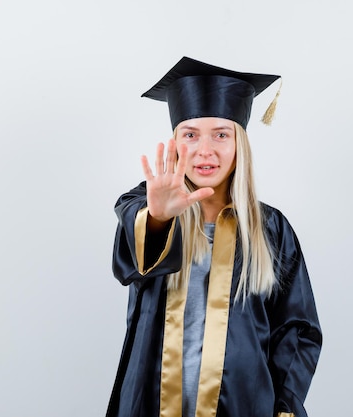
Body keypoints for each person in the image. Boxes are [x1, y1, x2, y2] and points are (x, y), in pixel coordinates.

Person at [106, 57, 322, 417]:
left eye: (221, 134)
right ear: (175, 143)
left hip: (243, 405)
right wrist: (159, 217)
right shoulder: (142, 206)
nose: (205, 150)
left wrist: (285, 407)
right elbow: (133, 261)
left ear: (240, 144)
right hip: (150, 400)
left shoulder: (271, 228)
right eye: (190, 135)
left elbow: (297, 330)